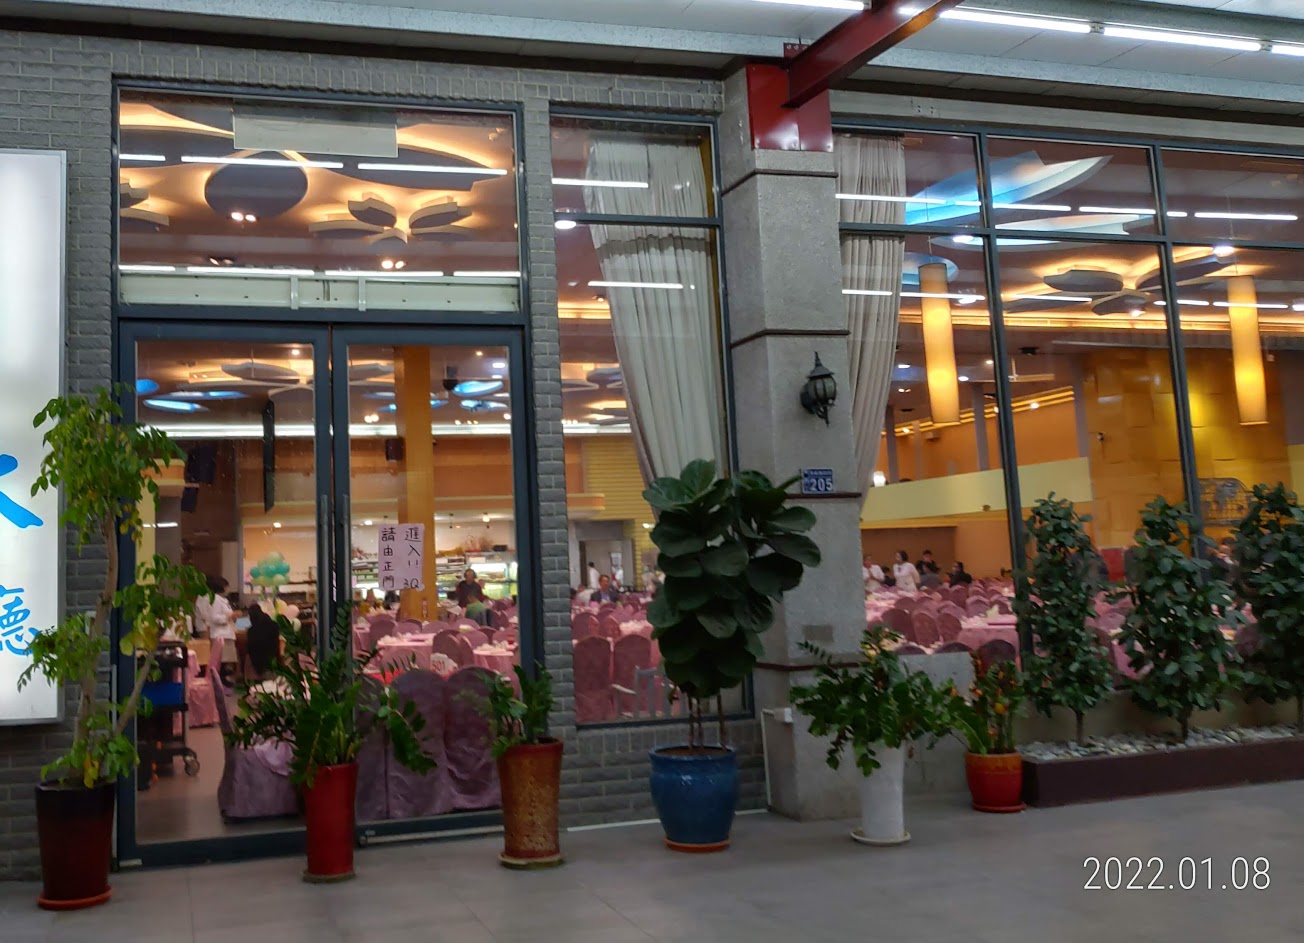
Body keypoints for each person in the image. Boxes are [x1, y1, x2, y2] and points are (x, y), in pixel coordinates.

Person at [245, 604, 281, 679]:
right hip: (273, 659)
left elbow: (250, 648)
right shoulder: (274, 625)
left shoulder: (251, 631)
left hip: (258, 664)